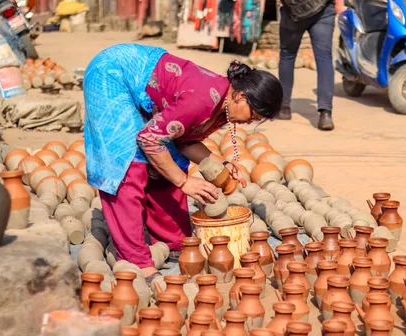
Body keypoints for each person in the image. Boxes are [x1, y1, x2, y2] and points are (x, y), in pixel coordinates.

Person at [83, 43, 282, 281]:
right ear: (240, 96)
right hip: (113, 73)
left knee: (172, 161)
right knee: (129, 165)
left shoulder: (224, 106)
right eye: (253, 115)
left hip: (143, 80)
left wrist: (222, 164)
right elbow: (149, 139)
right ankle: (138, 260)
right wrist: (184, 182)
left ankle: (173, 241)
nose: (249, 122)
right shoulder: (203, 100)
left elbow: (183, 142)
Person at [276, 0, 346, 130]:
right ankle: (325, 113)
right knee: (324, 59)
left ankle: (284, 108)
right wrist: (339, 5)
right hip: (323, 10)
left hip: (293, 11)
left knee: (287, 56)